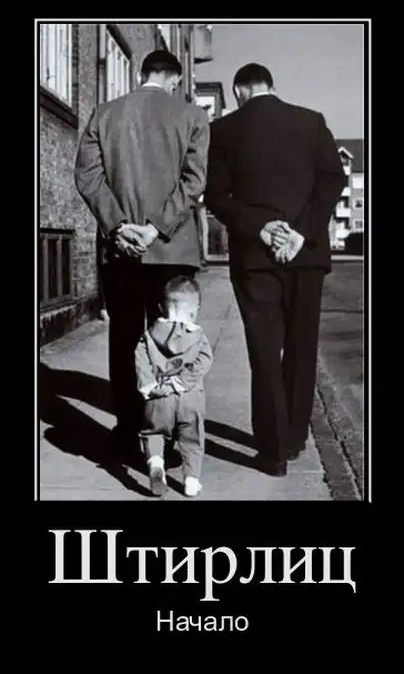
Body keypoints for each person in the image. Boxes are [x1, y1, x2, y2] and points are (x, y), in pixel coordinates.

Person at [204, 63, 346, 477]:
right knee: (301, 348)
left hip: (255, 257)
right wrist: (300, 232)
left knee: (264, 351)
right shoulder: (311, 121)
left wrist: (262, 228)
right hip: (306, 255)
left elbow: (217, 196)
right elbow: (332, 181)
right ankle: (296, 437)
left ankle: (273, 450)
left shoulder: (223, 130)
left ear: (239, 90)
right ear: (271, 85)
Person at [74, 50, 210, 450]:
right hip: (173, 250)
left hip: (121, 250)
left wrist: (119, 225)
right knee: (173, 341)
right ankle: (168, 436)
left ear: (140, 73)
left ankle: (128, 431)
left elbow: (88, 176)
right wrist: (155, 228)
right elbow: (194, 182)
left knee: (125, 338)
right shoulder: (192, 116)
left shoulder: (105, 114)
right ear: (176, 79)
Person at [135, 275, 213, 497]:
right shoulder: (198, 337)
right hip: (190, 397)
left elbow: (140, 359)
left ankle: (156, 464)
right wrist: (180, 382)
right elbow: (204, 360)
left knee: (153, 432)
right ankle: (191, 481)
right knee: (192, 439)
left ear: (161, 308)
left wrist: (150, 386)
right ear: (194, 311)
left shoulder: (149, 335)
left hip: (159, 396)